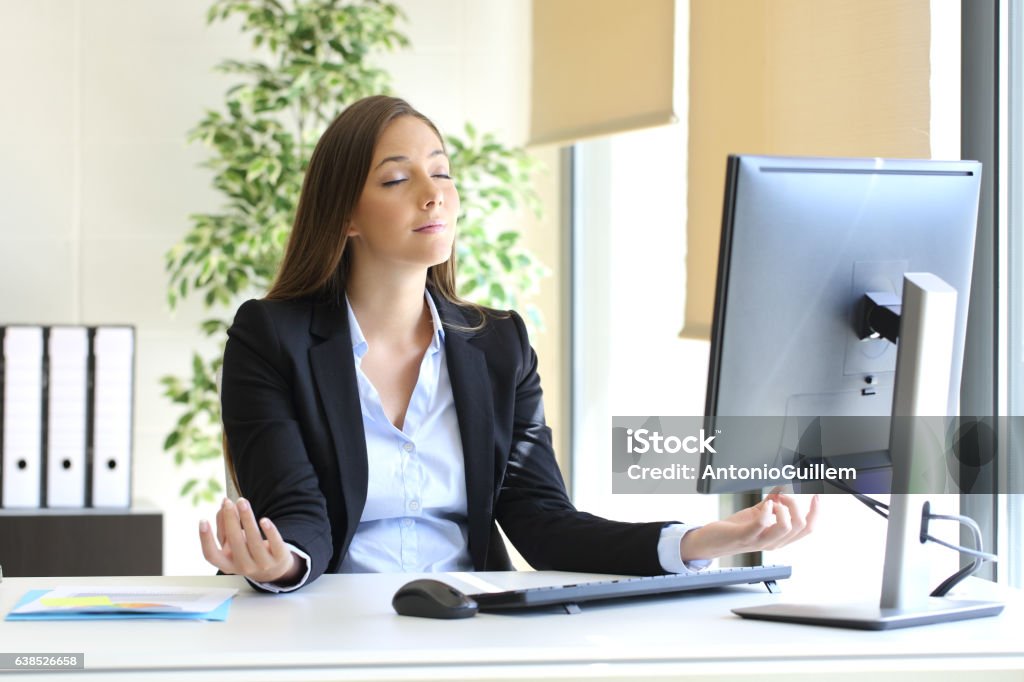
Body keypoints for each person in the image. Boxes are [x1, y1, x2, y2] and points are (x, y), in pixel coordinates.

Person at [199, 95, 818, 591]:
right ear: (346, 216)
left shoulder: (499, 346)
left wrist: (702, 540)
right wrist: (280, 564)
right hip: (328, 631)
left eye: (441, 171)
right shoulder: (269, 337)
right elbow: (296, 510)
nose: (433, 191)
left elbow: (544, 522)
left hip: (470, 623)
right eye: (397, 179)